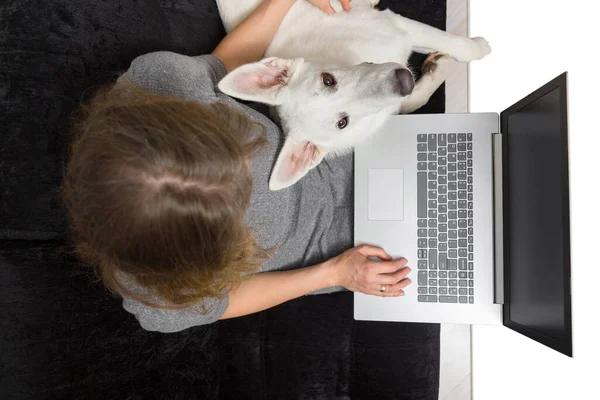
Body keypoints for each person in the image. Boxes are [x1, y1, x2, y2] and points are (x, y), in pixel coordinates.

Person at [63, 0, 412, 333]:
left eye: (234, 137)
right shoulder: (156, 294)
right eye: (246, 193)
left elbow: (224, 65)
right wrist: (335, 273)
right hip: (358, 251)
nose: (256, 164)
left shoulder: (161, 83)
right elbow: (224, 302)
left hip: (358, 144)